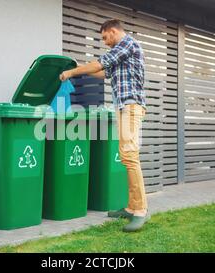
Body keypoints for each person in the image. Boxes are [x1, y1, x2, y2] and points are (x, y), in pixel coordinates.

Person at [59, 19, 149, 232]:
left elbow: (100, 63)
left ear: (113, 31)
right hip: (122, 107)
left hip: (131, 106)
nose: (105, 42)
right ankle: (131, 207)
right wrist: (79, 68)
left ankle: (141, 210)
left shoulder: (128, 44)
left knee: (130, 155)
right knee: (126, 156)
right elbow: (102, 72)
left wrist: (72, 73)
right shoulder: (120, 54)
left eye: (105, 37)